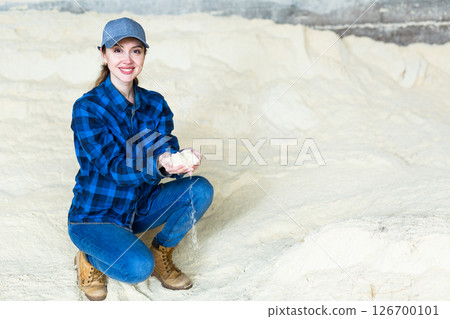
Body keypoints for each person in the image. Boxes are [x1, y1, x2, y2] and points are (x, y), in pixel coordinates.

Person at [67, 17, 214, 301]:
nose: (127, 58)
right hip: (97, 216)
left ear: (144, 55)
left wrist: (179, 160)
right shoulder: (87, 108)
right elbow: (113, 168)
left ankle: (162, 253)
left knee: (200, 188)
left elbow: (165, 148)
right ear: (103, 54)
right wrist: (159, 165)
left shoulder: (155, 103)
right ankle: (88, 256)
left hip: (140, 207)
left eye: (136, 50)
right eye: (118, 50)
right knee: (137, 268)